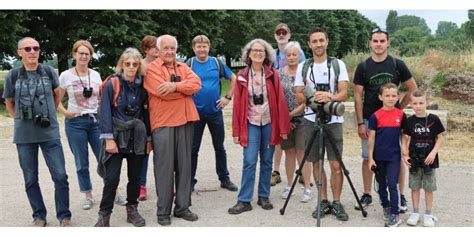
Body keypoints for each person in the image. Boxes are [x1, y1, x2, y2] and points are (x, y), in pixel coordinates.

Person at [2, 37, 72, 227]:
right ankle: (39, 215)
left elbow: (58, 94)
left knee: (60, 175)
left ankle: (64, 216)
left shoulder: (48, 71)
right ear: (20, 52)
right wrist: (20, 119)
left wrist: (50, 111)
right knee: (30, 178)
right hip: (24, 136)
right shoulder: (13, 75)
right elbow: (9, 102)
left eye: (36, 48)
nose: (32, 51)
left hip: (49, 133)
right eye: (28, 48)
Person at [353, 27, 417, 212]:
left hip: (393, 123)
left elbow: (412, 88)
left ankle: (400, 194)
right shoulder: (364, 66)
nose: (379, 44)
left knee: (396, 158)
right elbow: (358, 96)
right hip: (370, 121)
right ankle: (367, 194)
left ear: (388, 43)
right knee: (367, 158)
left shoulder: (397, 64)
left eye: (382, 41)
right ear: (370, 43)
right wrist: (359, 122)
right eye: (375, 41)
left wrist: (399, 108)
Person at [228, 38, 290, 215]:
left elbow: (281, 102)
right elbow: (238, 106)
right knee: (249, 161)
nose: (258, 53)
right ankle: (244, 200)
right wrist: (236, 131)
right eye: (254, 50)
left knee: (267, 161)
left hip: (269, 122)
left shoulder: (273, 75)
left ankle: (264, 196)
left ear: (266, 54)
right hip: (251, 123)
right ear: (248, 54)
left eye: (261, 51)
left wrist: (283, 128)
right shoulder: (241, 76)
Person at [144, 34, 201, 226]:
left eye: (172, 48)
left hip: (186, 120)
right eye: (166, 48)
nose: (169, 52)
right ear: (158, 50)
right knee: (164, 169)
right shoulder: (151, 68)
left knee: (185, 167)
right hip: (164, 123)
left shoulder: (183, 67)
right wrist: (184, 92)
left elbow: (196, 85)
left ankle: (182, 207)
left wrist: (175, 86)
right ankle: (163, 211)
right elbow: (162, 93)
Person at [294, 27, 349, 221]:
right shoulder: (303, 66)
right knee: (316, 162)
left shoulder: (337, 64)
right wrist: (314, 100)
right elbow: (298, 93)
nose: (318, 44)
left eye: (321, 40)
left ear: (327, 41)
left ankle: (337, 202)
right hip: (310, 119)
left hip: (334, 120)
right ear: (309, 44)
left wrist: (329, 96)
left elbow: (344, 93)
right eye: (314, 41)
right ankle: (323, 200)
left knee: (335, 164)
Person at [94, 48, 151, 227]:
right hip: (117, 137)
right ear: (122, 65)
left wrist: (149, 138)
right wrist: (108, 139)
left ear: (139, 66)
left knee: (135, 177)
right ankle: (104, 215)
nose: (132, 67)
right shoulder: (113, 84)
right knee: (111, 178)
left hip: (137, 137)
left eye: (135, 64)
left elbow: (146, 113)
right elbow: (104, 112)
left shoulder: (143, 86)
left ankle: (132, 209)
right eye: (128, 64)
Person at [187, 35, 239, 192]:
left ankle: (224, 178)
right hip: (195, 113)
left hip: (215, 112)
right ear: (194, 48)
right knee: (193, 148)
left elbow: (233, 78)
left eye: (204, 46)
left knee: (219, 147)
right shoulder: (189, 64)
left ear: (208, 47)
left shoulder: (216, 62)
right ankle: (189, 180)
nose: (202, 49)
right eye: (198, 46)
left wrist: (228, 97)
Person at [56, 40, 102, 210]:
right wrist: (66, 113)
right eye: (80, 53)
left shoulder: (95, 75)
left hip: (95, 121)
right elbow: (56, 101)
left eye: (87, 53)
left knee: (104, 158)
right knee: (81, 162)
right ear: (74, 54)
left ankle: (114, 191)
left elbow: (101, 98)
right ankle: (88, 195)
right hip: (75, 123)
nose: (84, 56)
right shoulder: (66, 76)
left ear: (90, 56)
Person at [402, 89, 445, 227]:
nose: (418, 106)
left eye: (421, 103)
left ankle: (428, 214)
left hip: (429, 161)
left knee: (428, 188)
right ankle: (415, 213)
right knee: (415, 187)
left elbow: (440, 137)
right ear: (411, 104)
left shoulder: (434, 119)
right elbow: (405, 137)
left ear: (427, 103)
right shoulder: (410, 121)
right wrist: (405, 152)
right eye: (415, 103)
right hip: (414, 160)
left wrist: (433, 152)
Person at [271, 23, 307, 186]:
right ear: (274, 36)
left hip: (300, 111)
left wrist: (292, 115)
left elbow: (305, 78)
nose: (281, 35)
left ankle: (302, 174)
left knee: (300, 147)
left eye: (284, 32)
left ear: (289, 34)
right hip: (281, 111)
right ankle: (276, 171)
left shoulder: (300, 54)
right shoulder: (271, 55)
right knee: (281, 143)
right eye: (278, 33)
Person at [367, 83, 407, 227]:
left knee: (392, 183)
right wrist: (370, 158)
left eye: (393, 95)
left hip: (394, 157)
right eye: (387, 95)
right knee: (381, 185)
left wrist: (405, 150)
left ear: (398, 97)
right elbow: (371, 138)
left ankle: (395, 214)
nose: (391, 98)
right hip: (378, 157)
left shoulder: (401, 115)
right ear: (380, 97)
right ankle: (386, 206)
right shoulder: (375, 116)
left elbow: (404, 136)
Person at [277, 41, 311, 202]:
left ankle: (307, 189)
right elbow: (276, 98)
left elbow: (308, 99)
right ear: (284, 56)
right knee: (288, 152)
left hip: (303, 118)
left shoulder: (306, 73)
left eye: (294, 55)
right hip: (285, 120)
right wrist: (285, 118)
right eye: (288, 55)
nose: (291, 57)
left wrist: (291, 114)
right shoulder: (278, 73)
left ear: (300, 56)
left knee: (302, 153)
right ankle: (289, 185)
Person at [137, 35, 159, 201]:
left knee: (162, 152)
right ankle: (141, 185)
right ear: (146, 49)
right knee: (144, 150)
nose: (157, 51)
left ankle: (163, 184)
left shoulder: (163, 65)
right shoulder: (140, 66)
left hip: (159, 112)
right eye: (154, 47)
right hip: (143, 113)